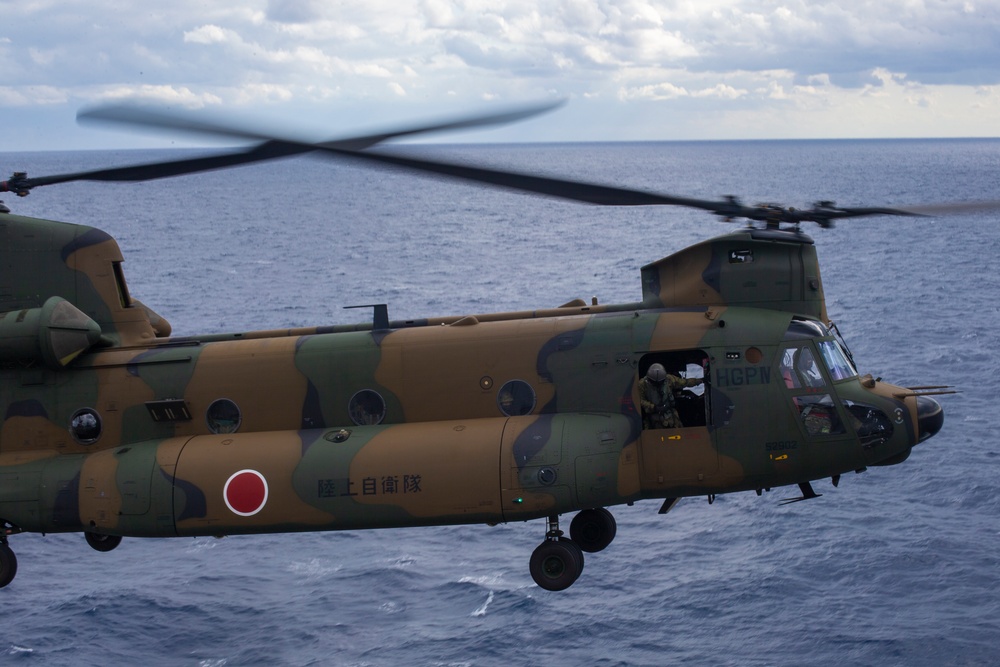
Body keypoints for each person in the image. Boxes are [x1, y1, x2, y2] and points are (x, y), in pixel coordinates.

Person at [638, 363, 704, 429]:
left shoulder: (668, 379)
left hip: (670, 414)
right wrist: (654, 407)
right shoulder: (642, 384)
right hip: (653, 416)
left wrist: (698, 381)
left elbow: (683, 382)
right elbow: (640, 400)